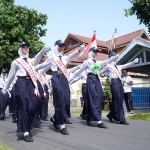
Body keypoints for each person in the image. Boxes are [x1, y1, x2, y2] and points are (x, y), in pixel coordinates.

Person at [35, 40, 85, 135]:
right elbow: (43, 65)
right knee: (59, 100)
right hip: (56, 77)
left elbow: (73, 55)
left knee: (66, 100)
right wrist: (34, 69)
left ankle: (55, 118)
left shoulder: (65, 58)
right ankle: (61, 125)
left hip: (64, 78)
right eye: (60, 46)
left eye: (63, 47)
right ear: (56, 47)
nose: (62, 48)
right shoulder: (52, 57)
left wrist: (80, 50)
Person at [1, 42, 49, 142]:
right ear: (20, 50)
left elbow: (37, 60)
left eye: (27, 47)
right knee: (24, 106)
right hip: (21, 83)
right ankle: (25, 131)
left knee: (33, 106)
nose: (26, 49)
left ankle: (27, 125)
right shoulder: (16, 62)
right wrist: (5, 88)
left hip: (31, 83)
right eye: (24, 48)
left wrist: (43, 51)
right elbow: (11, 76)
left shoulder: (31, 61)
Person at [69, 47, 118, 129]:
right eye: (94, 52)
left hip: (97, 79)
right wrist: (70, 79)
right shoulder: (87, 62)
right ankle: (99, 121)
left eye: (97, 52)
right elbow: (79, 71)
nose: (96, 53)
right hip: (90, 79)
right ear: (90, 52)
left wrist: (113, 58)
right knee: (93, 98)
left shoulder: (97, 62)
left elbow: (105, 62)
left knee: (98, 99)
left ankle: (89, 116)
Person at [99, 51, 138, 125]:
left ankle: (111, 115)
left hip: (120, 83)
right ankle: (121, 119)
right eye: (114, 57)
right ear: (111, 58)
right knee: (117, 100)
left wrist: (133, 62)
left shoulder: (118, 66)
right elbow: (100, 72)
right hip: (114, 82)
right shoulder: (108, 66)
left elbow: (126, 65)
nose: (116, 59)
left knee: (119, 100)